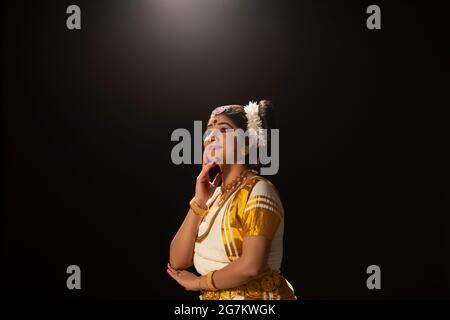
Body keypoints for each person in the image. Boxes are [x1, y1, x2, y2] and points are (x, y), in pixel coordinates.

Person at [167, 100, 297, 300]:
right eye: (209, 129)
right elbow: (177, 261)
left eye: (224, 130)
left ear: (247, 142)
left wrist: (198, 283)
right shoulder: (213, 196)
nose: (211, 137)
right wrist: (199, 203)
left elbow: (251, 266)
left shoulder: (259, 190)